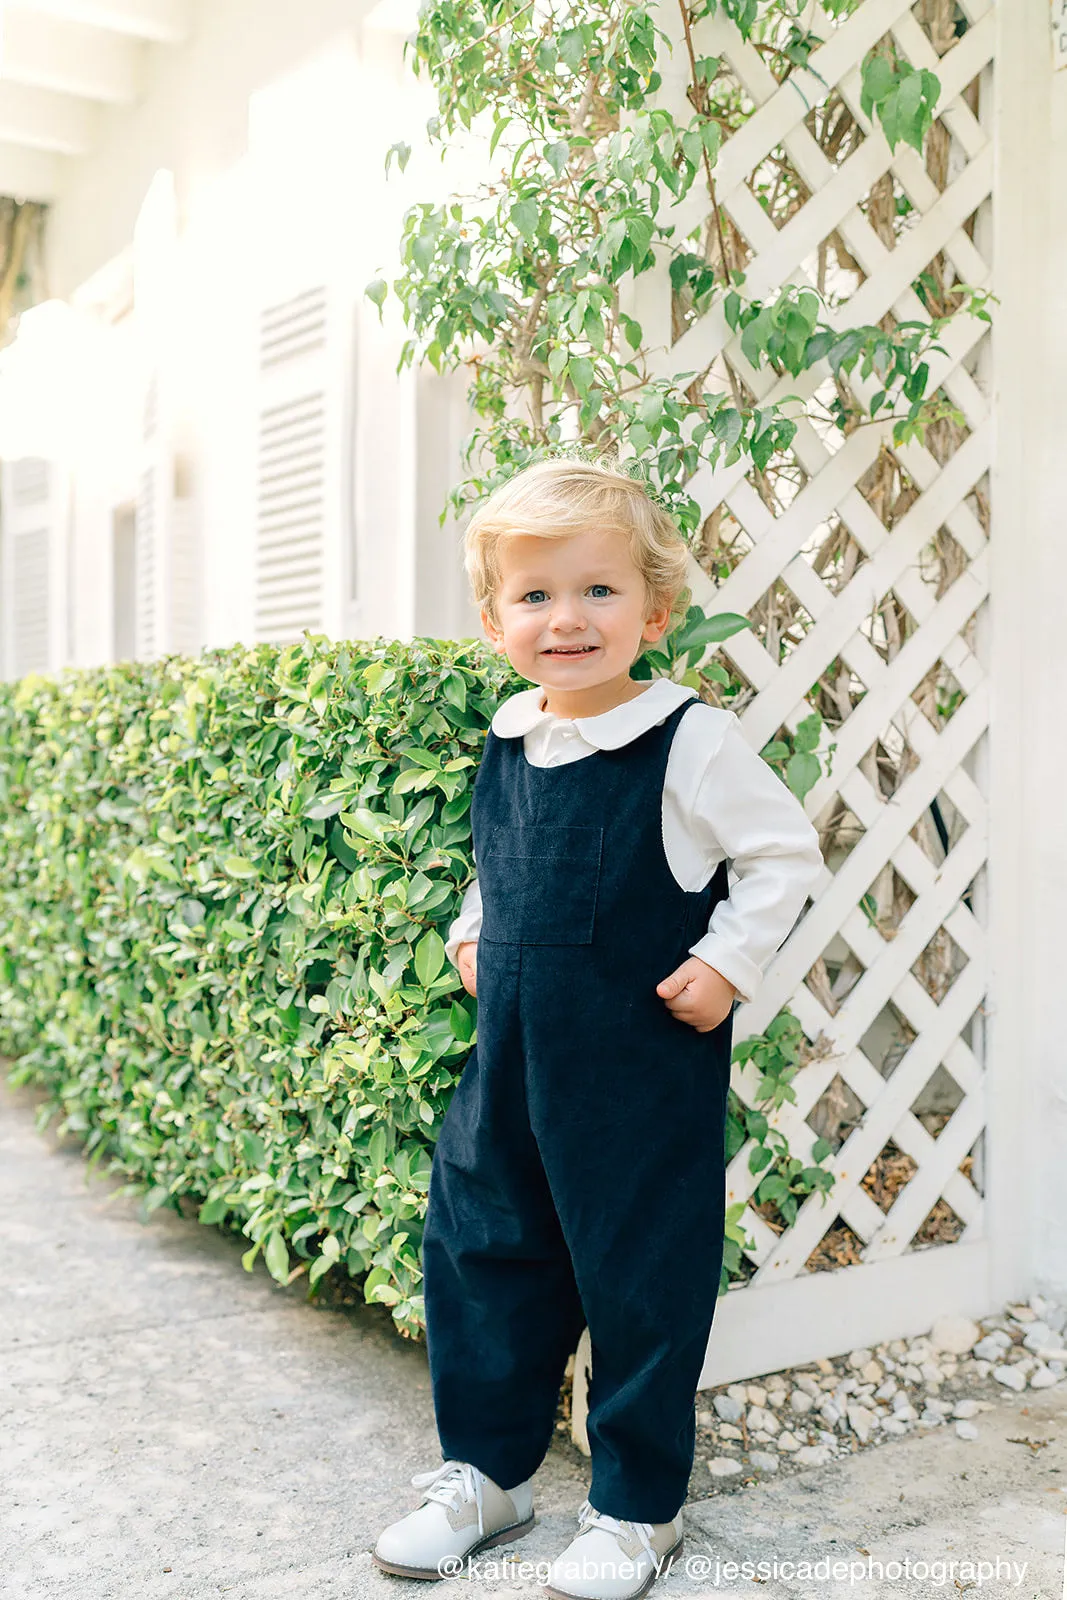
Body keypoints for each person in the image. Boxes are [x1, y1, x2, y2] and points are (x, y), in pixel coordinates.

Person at [373, 456, 823, 1599]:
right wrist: (478, 925)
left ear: (653, 608)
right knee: (482, 1259)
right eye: (533, 596)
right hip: (510, 1072)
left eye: (597, 591)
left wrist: (725, 962)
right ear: (494, 620)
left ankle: (634, 1507)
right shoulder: (510, 732)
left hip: (633, 1076)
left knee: (638, 1279)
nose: (564, 618)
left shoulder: (687, 740)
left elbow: (779, 854)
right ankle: (486, 1472)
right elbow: (497, 858)